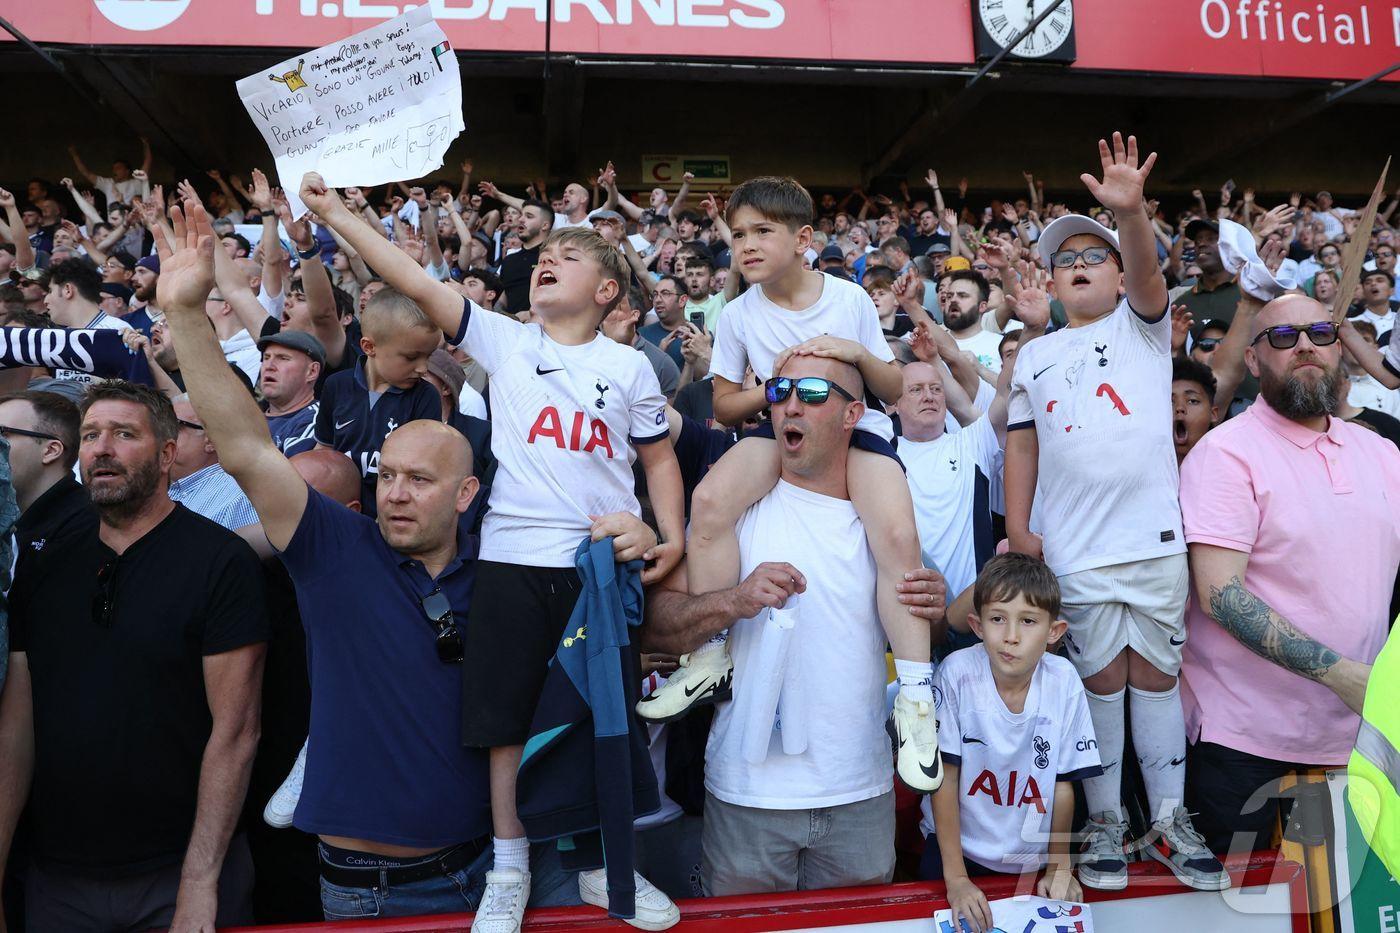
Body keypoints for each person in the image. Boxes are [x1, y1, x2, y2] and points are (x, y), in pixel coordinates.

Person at [156, 199, 591, 924]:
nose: (393, 493)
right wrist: (183, 314)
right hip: (353, 887)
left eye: (418, 480)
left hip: (478, 878)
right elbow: (245, 448)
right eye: (386, 474)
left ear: (467, 492)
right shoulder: (334, 547)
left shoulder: (507, 564)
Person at [300, 174, 686, 933]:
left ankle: (607, 860)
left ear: (608, 290)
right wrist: (338, 215)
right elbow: (409, 276)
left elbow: (660, 459)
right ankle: (509, 867)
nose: (547, 260)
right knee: (504, 717)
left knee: (600, 713)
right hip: (510, 557)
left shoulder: (633, 368)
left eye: (568, 256)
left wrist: (666, 536)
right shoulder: (505, 340)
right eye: (543, 253)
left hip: (595, 565)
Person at [659, 175, 939, 800]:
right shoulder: (736, 314)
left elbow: (890, 391)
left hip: (853, 430)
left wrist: (852, 354)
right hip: (777, 431)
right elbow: (727, 406)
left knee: (895, 535)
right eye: (737, 235)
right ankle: (711, 656)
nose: (747, 245)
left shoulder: (847, 300)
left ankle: (917, 699)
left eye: (763, 231)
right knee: (708, 503)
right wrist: (781, 386)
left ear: (803, 238)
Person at [1005, 134, 1228, 892]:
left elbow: (1146, 269)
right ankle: (1106, 821)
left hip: (1152, 539)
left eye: (1091, 253)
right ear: (1051, 281)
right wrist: (1017, 526)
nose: (1077, 263)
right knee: (1100, 678)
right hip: (1073, 544)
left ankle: (1167, 818)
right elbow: (1022, 447)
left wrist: (1129, 214)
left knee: (1155, 676)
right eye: (1064, 257)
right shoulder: (1032, 356)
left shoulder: (1144, 324)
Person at [642, 353, 947, 896]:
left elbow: (929, 621)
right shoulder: (738, 506)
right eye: (779, 392)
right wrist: (732, 601)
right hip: (747, 794)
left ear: (853, 414)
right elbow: (656, 626)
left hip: (857, 790)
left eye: (811, 393)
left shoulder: (880, 511)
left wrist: (939, 606)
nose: (789, 406)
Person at [0, 378, 267, 931]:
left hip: (179, 876)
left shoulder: (219, 562)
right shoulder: (45, 563)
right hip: (58, 877)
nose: (101, 448)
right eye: (92, 434)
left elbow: (236, 732)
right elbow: (18, 724)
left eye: (124, 435)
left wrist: (198, 884)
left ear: (168, 454)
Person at [1180, 294, 1400, 855]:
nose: (1304, 345)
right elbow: (1220, 595)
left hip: (1359, 740)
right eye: (1282, 337)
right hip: (1246, 745)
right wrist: (1342, 676)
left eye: (1320, 333)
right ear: (1253, 361)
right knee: (1246, 910)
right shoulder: (1225, 453)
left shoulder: (1381, 452)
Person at [925, 555, 1101, 932]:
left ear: (1055, 632)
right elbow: (945, 779)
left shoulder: (1064, 680)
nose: (1011, 636)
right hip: (959, 853)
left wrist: (1059, 866)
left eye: (1028, 621)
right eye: (998, 619)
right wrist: (955, 879)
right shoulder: (956, 673)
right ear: (976, 624)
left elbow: (1063, 783)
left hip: (1031, 860)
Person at [311, 287, 441, 516]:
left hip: (391, 520)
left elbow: (423, 470)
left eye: (428, 356)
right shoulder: (336, 386)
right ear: (369, 347)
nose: (423, 369)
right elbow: (324, 451)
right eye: (411, 357)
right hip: (336, 515)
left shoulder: (426, 396)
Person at [168, 394, 261, 533]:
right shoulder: (156, 487)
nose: (161, 433)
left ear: (211, 440)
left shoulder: (240, 498)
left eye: (173, 425)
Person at [259, 331, 323, 457]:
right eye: (266, 358)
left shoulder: (317, 420)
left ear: (312, 372)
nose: (269, 366)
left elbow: (286, 476)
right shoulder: (249, 417)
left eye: (283, 358)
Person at [1171, 356, 1219, 463]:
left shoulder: (1230, 468)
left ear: (1213, 414)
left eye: (1192, 401)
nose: (1179, 408)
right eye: (1170, 401)